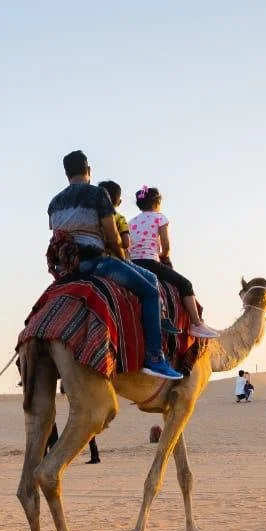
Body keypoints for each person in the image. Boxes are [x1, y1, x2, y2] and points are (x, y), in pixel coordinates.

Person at [48, 151, 182, 380]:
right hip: (96, 263)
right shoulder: (97, 194)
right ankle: (155, 357)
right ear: (88, 170)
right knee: (150, 291)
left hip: (66, 270)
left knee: (150, 277)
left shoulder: (54, 203)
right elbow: (112, 237)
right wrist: (122, 256)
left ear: (66, 173)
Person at [127, 186, 219, 340]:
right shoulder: (160, 217)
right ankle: (196, 324)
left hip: (132, 263)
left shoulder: (131, 221)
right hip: (150, 262)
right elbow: (166, 246)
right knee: (185, 284)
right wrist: (163, 256)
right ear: (157, 203)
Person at [97, 180, 130, 254]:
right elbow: (126, 243)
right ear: (119, 202)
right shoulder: (120, 218)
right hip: (114, 259)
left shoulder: (93, 216)